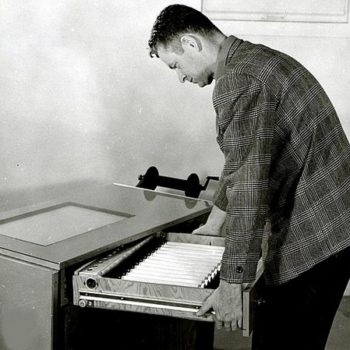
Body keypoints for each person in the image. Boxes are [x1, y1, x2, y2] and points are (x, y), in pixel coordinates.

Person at [148, 4, 350, 349]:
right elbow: (242, 162)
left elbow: (249, 188)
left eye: (175, 65)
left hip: (314, 236)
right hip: (335, 224)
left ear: (192, 43)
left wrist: (231, 286)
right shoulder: (255, 60)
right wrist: (214, 225)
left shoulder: (238, 83)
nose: (180, 77)